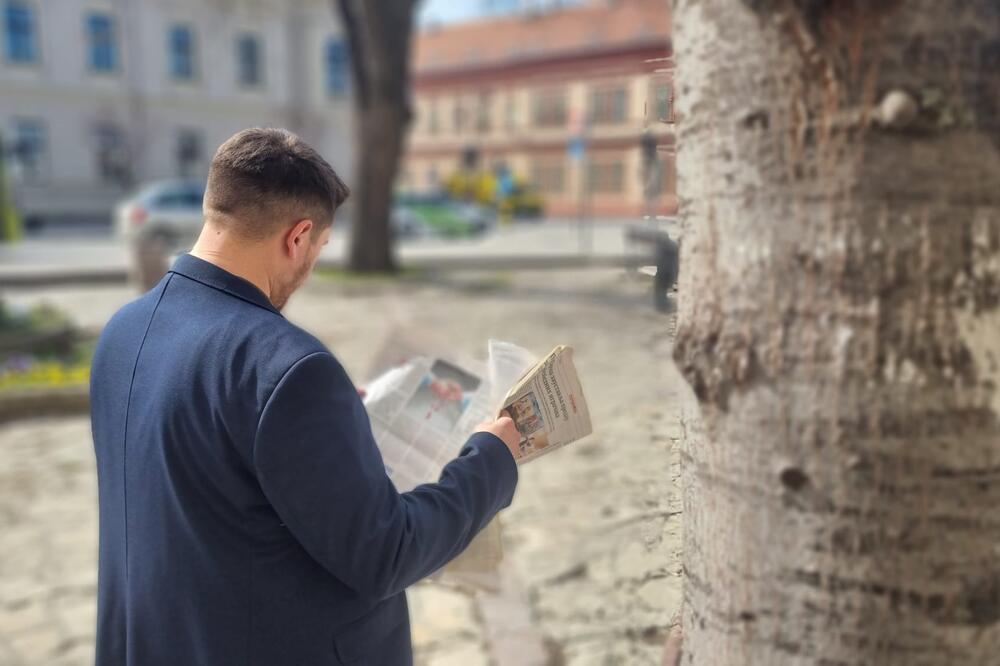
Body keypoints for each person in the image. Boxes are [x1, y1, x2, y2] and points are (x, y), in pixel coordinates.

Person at [90, 128, 522, 665]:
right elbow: (387, 553)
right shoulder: (291, 369)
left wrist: (328, 425)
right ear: (297, 237)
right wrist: (492, 458)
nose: (311, 265)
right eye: (318, 247)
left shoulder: (122, 329)